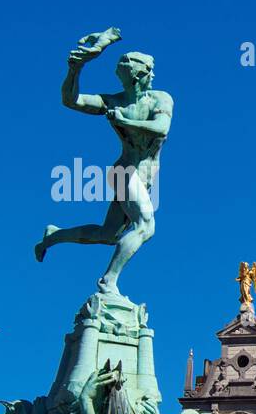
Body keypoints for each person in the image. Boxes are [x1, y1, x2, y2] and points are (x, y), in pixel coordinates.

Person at [35, 29, 173, 294]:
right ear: (138, 74)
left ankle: (54, 235)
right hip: (125, 171)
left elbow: (161, 127)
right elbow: (71, 100)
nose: (153, 75)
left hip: (144, 177)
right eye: (149, 71)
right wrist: (76, 68)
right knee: (145, 225)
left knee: (108, 235)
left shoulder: (161, 98)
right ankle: (109, 280)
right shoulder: (113, 101)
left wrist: (125, 121)